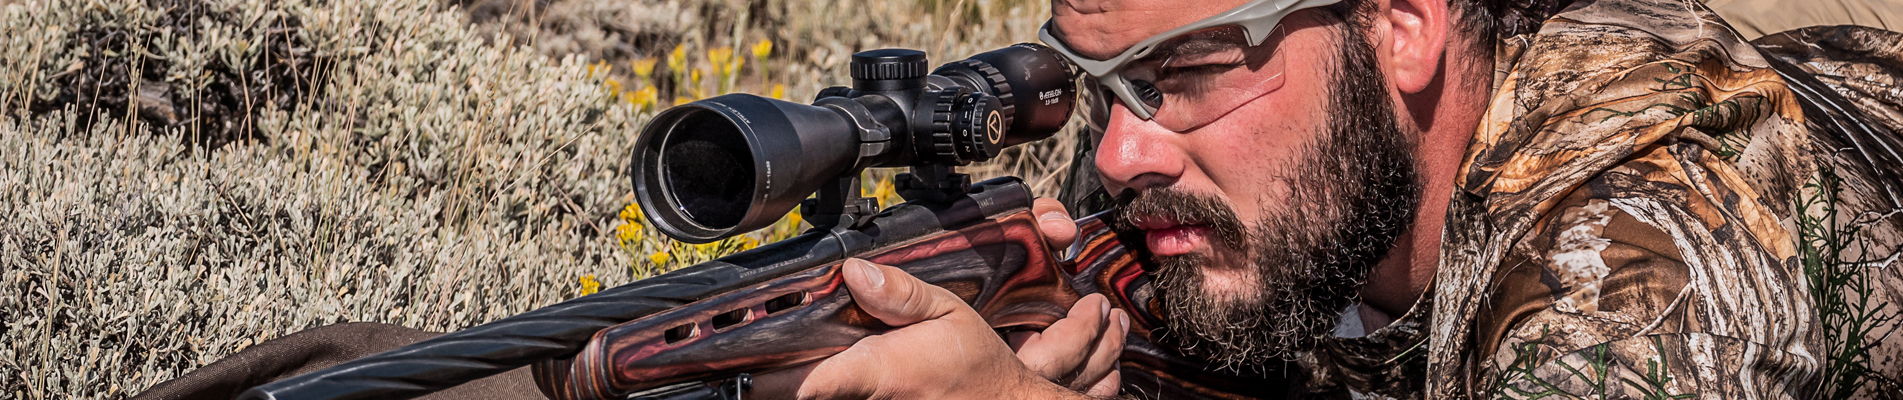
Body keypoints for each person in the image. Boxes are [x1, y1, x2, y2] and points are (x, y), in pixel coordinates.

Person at [759, 0, 1903, 398]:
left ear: (1401, 24)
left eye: (1182, 71)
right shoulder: (1186, 168)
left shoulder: (1637, 248)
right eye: (1096, 84)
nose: (1118, 152)